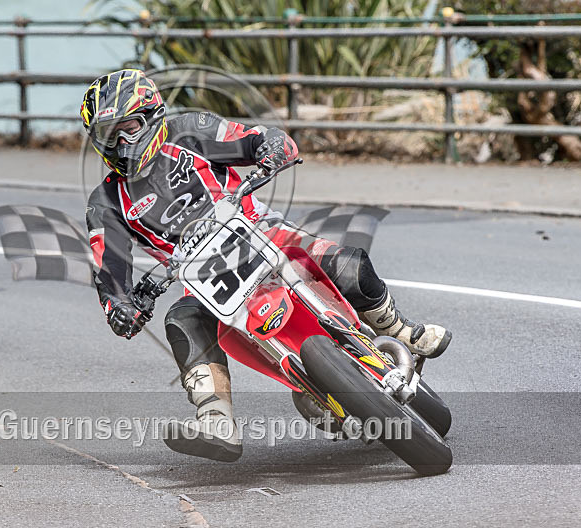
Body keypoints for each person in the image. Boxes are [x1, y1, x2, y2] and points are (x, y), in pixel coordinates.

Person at [82, 69, 451, 462]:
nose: (120, 143)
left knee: (348, 264)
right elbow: (109, 269)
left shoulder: (188, 131)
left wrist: (273, 148)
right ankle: (216, 419)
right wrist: (120, 307)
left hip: (263, 232)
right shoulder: (105, 202)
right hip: (204, 280)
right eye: (108, 135)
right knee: (180, 319)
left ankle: (400, 330)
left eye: (128, 128)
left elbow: (255, 137)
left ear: (153, 116)